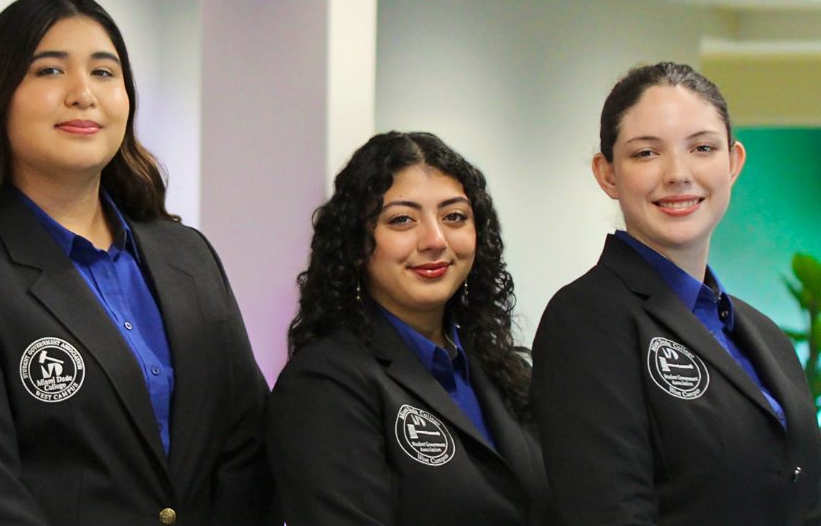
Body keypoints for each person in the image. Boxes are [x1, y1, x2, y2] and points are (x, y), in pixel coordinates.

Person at [0, 0, 276, 525]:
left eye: (105, 72)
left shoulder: (188, 256)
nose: (83, 94)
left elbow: (247, 449)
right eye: (49, 71)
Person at [532, 61, 821, 524]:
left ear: (733, 162)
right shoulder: (586, 322)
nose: (678, 174)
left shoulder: (765, 336)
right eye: (646, 154)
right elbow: (609, 512)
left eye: (703, 148)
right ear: (607, 174)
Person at [267, 131, 549, 525]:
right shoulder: (324, 384)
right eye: (402, 220)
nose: (434, 240)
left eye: (454, 217)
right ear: (355, 245)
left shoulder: (501, 370)